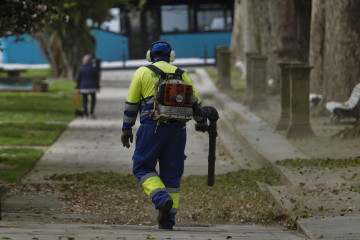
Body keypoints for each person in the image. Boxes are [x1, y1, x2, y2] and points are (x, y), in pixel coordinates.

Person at [121, 41, 208, 229]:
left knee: (142, 167)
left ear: (149, 55)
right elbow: (196, 104)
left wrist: (127, 128)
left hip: (152, 128)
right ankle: (168, 221)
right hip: (177, 131)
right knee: (172, 174)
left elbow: (131, 104)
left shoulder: (142, 72)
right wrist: (202, 123)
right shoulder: (181, 74)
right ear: (171, 56)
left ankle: (161, 199)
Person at [76, 54, 100, 119]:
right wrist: (98, 86)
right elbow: (96, 78)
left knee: (85, 101)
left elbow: (79, 79)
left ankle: (86, 114)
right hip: (92, 87)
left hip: (83, 87)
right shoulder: (93, 68)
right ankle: (91, 113)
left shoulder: (81, 69)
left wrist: (78, 87)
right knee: (93, 99)